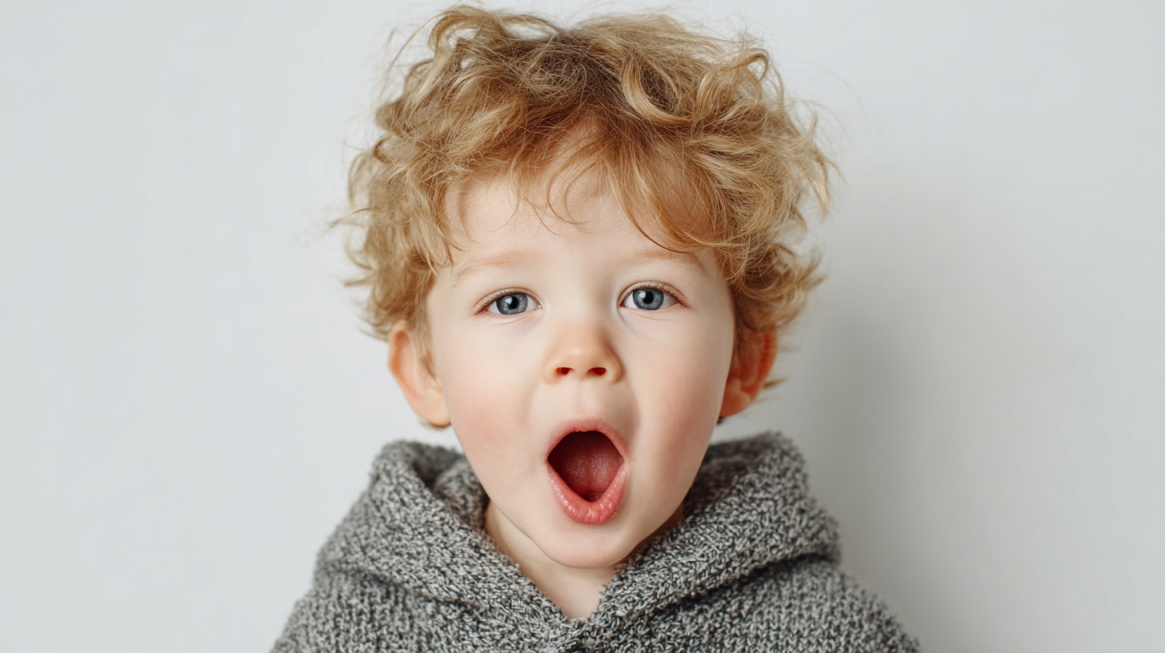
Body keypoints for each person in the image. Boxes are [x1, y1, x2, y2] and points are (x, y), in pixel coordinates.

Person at [274, 6, 918, 650]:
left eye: (646, 295)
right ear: (427, 371)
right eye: (511, 302)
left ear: (741, 362)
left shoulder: (828, 634)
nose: (583, 352)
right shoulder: (347, 634)